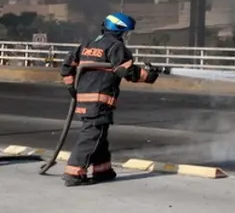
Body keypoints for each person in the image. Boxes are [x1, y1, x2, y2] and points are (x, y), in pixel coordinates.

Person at [59, 12, 160, 186]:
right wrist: (148, 76)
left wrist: (71, 87)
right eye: (125, 32)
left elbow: (67, 66)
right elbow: (125, 70)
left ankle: (102, 171)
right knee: (91, 136)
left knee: (99, 137)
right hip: (99, 101)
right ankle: (74, 173)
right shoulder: (115, 47)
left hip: (83, 99)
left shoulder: (88, 43)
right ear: (120, 30)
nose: (126, 36)